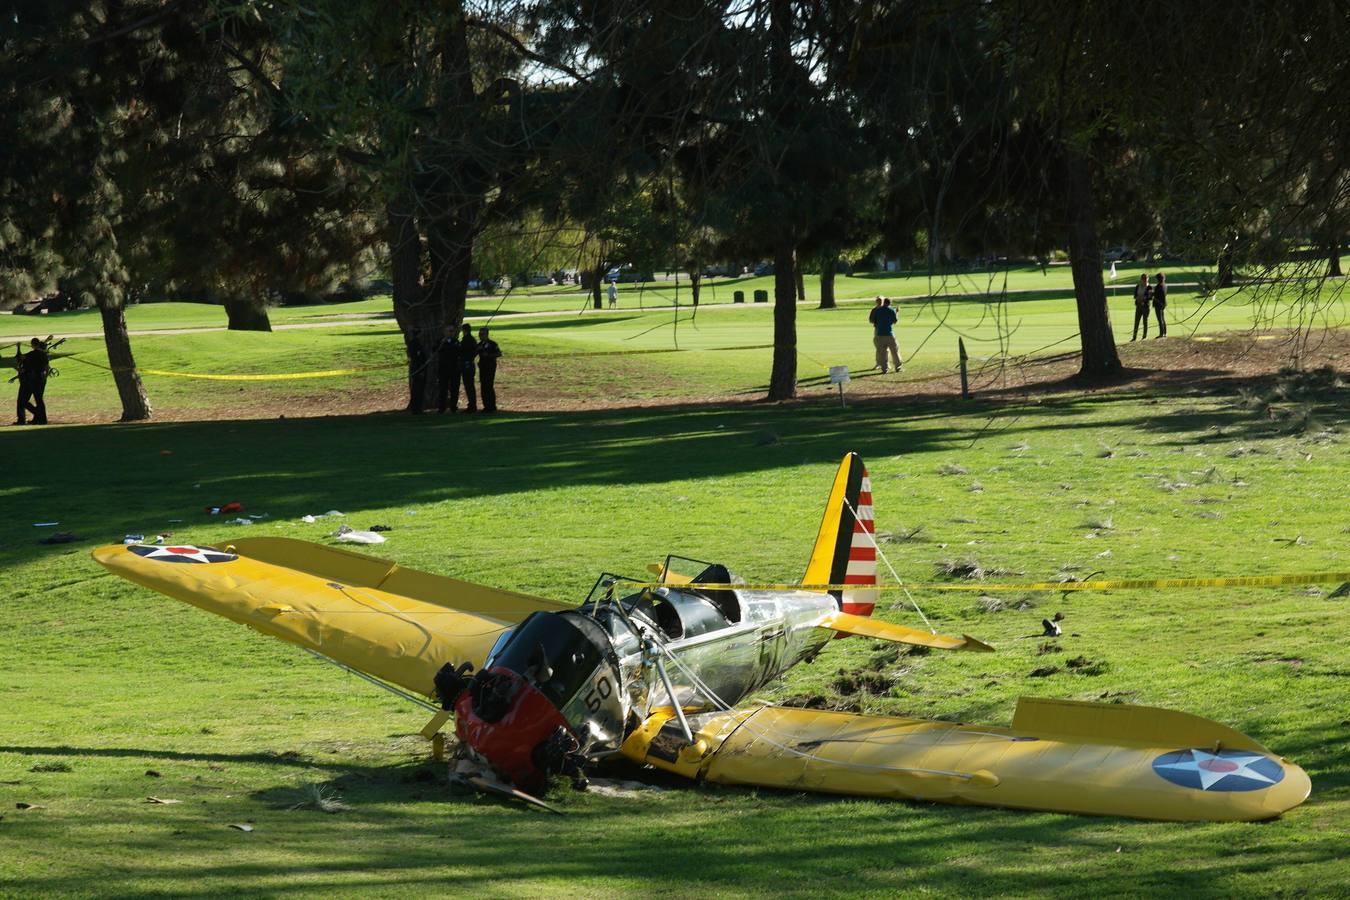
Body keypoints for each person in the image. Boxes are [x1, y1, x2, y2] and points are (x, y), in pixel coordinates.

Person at [13, 337, 50, 425]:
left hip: (30, 379)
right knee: (39, 400)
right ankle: (41, 419)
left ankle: (36, 415)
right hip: (41, 379)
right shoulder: (43, 355)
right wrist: (45, 377)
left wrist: (18, 348)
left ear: (32, 345)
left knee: (23, 400)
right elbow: (47, 367)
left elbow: (19, 358)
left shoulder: (30, 354)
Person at [435, 325, 462, 413]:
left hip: (454, 368)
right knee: (442, 388)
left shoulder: (456, 341)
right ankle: (441, 407)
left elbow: (459, 352)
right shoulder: (440, 341)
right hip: (443, 368)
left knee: (454, 388)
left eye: (452, 331)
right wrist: (442, 343)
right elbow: (434, 350)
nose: (451, 333)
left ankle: (453, 406)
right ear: (445, 332)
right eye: (449, 331)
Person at [872, 297, 901, 373]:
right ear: (890, 303)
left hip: (879, 334)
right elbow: (895, 321)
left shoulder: (877, 311)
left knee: (882, 353)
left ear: (883, 302)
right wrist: (897, 312)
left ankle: (884, 369)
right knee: (895, 351)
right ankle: (898, 367)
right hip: (889, 333)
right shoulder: (891, 310)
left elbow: (873, 321)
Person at [477, 327, 502, 413]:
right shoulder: (479, 345)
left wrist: (489, 355)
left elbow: (499, 353)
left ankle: (492, 405)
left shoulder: (493, 344)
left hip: (490, 367)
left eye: (482, 334)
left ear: (487, 334)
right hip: (482, 367)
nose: (480, 336)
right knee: (483, 386)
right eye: (479, 334)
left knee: (489, 386)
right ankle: (486, 406)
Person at [458, 322, 479, 412]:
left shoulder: (466, 340)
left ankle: (472, 405)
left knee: (468, 385)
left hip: (466, 365)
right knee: (470, 385)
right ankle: (472, 404)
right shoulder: (473, 340)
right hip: (471, 364)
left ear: (464, 330)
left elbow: (461, 351)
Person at [1131, 274, 1151, 341]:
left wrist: (1143, 299)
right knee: (1136, 322)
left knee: (1145, 322)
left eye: (1146, 279)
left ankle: (1144, 336)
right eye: (1143, 279)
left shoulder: (1149, 287)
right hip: (1138, 306)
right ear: (1141, 279)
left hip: (1145, 306)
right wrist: (1138, 298)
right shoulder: (1137, 286)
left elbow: (1150, 297)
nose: (1145, 280)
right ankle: (1134, 337)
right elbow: (1135, 295)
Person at [1152, 272, 1168, 337]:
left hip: (1158, 304)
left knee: (1160, 319)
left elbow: (1156, 295)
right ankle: (1165, 332)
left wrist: (1152, 293)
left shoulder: (1159, 286)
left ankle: (1161, 333)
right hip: (1163, 303)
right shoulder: (1164, 285)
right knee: (1163, 319)